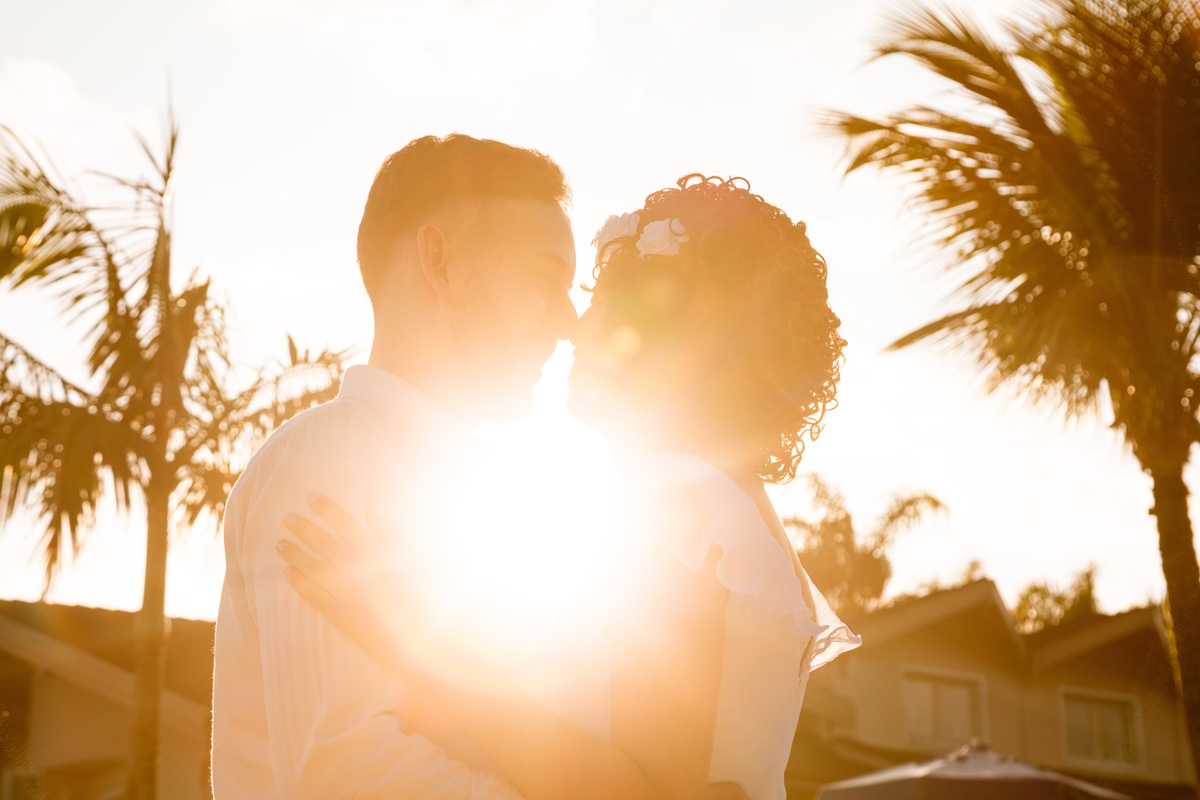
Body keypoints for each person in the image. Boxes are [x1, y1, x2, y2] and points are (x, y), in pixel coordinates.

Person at [276, 175, 861, 800]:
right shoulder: (723, 504)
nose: (576, 329)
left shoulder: (680, 505)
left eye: (603, 299)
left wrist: (414, 643)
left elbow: (648, 794)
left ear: (670, 328)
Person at [211, 133, 580, 799]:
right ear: (439, 261)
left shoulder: (487, 492)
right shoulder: (330, 458)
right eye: (543, 280)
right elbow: (346, 775)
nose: (568, 321)